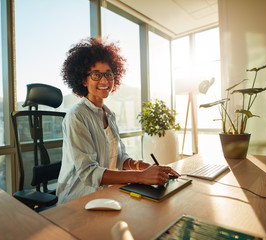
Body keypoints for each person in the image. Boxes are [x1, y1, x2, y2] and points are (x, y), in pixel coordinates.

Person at [56, 37, 180, 204]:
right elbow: (89, 172)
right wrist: (141, 177)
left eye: (108, 74)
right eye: (96, 75)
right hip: (77, 201)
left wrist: (149, 168)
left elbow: (120, 159)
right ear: (83, 80)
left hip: (106, 196)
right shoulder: (76, 116)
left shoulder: (109, 115)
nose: (105, 80)